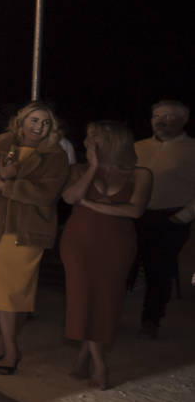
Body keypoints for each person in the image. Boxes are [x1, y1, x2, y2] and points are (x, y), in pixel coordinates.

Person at [0, 102, 70, 374]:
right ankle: (5, 344)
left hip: (27, 232)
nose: (39, 126)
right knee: (1, 293)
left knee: (16, 293)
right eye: (34, 120)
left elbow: (46, 195)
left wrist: (5, 186)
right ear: (22, 121)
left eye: (45, 122)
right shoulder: (3, 143)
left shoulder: (55, 154)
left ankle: (10, 350)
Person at [62, 122, 152, 387]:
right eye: (87, 135)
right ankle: (100, 364)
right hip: (79, 242)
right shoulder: (78, 169)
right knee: (82, 298)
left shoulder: (141, 174)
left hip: (116, 244)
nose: (88, 140)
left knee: (106, 300)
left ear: (116, 141)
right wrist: (92, 167)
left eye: (95, 136)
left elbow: (135, 211)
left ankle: (83, 355)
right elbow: (69, 198)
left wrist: (89, 204)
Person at [132, 100, 195, 338]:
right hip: (137, 215)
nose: (160, 121)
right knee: (125, 263)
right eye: (156, 116)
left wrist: (185, 215)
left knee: (159, 270)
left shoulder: (192, 149)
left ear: (183, 120)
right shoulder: (139, 147)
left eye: (168, 116)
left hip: (171, 218)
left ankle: (152, 319)